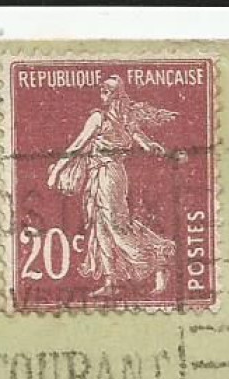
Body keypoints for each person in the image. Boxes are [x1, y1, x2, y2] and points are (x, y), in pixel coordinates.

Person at [45, 75, 177, 299]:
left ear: (117, 95)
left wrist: (57, 170)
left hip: (110, 175)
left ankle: (158, 261)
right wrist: (150, 146)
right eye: (102, 90)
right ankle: (111, 281)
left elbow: (78, 146)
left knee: (116, 226)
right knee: (100, 227)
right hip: (98, 175)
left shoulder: (109, 118)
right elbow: (140, 141)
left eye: (107, 91)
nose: (102, 94)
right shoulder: (106, 117)